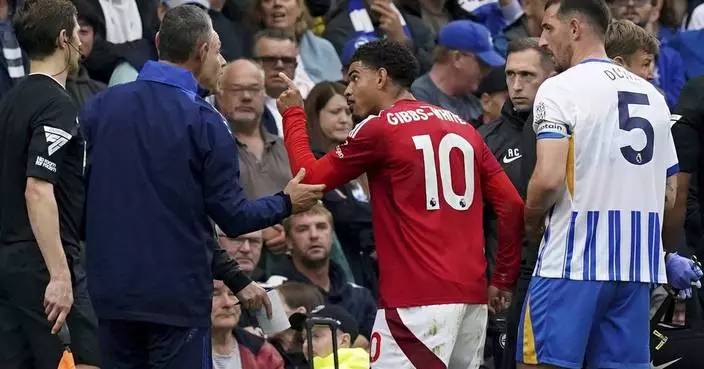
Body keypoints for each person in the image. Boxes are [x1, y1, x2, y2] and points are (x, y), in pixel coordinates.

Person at [80, 5, 325, 368]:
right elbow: (234, 217)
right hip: (175, 299)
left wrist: (236, 279)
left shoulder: (99, 105)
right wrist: (287, 202)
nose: (222, 60)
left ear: (160, 41)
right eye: (218, 50)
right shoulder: (204, 119)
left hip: (111, 292)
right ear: (201, 52)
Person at [277, 38, 524, 368]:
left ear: (380, 77)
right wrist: (502, 279)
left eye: (354, 77)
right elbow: (511, 205)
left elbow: (308, 179)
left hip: (415, 302)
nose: (347, 90)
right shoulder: (465, 128)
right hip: (471, 298)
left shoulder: (379, 128)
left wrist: (293, 113)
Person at [517, 1, 702, 368]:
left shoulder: (559, 89)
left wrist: (531, 219)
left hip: (571, 266)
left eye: (548, 28)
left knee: (541, 363)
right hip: (636, 271)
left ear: (574, 28)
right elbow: (670, 194)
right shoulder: (655, 98)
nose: (541, 41)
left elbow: (550, 177)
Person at [0, 0, 99, 368]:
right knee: (85, 360)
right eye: (76, 32)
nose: (81, 40)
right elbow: (37, 188)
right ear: (63, 39)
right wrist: (59, 275)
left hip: (9, 262)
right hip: (44, 262)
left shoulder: (9, 103)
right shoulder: (57, 103)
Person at [477, 37, 556, 369]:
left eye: (527, 76)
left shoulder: (572, 129)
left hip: (565, 272)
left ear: (551, 77)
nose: (516, 85)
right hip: (510, 283)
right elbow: (473, 223)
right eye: (511, 76)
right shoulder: (485, 140)